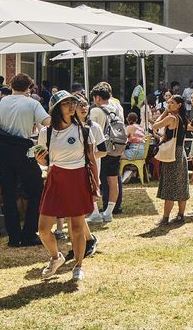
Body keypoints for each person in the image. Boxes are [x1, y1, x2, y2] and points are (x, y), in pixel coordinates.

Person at [0, 73, 50, 247]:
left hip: (4, 155)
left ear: (11, 85)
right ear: (29, 88)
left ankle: (14, 237)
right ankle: (29, 233)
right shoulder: (33, 104)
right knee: (36, 191)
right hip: (24, 153)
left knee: (8, 195)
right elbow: (47, 122)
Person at [34, 91, 97, 282]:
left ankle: (78, 266)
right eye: (66, 103)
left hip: (78, 178)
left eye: (73, 102)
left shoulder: (84, 130)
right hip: (55, 179)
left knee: (76, 228)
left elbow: (92, 159)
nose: (71, 106)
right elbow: (45, 161)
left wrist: (96, 184)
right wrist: (40, 160)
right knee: (43, 229)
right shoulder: (46, 132)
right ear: (56, 109)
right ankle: (56, 257)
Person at [87, 83, 125, 223]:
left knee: (95, 181)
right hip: (116, 148)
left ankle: (96, 213)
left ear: (97, 98)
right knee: (113, 180)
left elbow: (91, 132)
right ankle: (109, 212)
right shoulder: (118, 107)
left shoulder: (95, 111)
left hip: (100, 150)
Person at [153, 95, 189, 224]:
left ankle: (165, 217)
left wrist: (164, 112)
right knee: (181, 184)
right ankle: (180, 215)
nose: (169, 105)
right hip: (181, 152)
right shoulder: (183, 118)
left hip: (171, 153)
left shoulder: (171, 117)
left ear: (179, 105)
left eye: (171, 103)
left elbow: (155, 125)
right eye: (168, 103)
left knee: (169, 185)